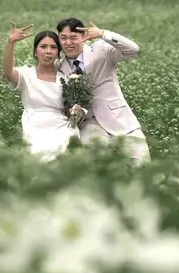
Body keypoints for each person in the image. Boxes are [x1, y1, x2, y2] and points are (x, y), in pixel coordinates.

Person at [55, 17, 150, 163]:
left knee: (141, 166)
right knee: (96, 166)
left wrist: (103, 34)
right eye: (63, 38)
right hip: (88, 124)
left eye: (73, 37)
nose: (68, 42)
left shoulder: (101, 49)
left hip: (119, 119)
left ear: (83, 37)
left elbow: (133, 50)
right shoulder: (58, 67)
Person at [1, 22, 85, 161]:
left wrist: (75, 112)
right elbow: (8, 72)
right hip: (34, 124)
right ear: (35, 52)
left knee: (69, 143)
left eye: (53, 47)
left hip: (60, 125)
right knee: (39, 154)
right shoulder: (26, 74)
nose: (48, 51)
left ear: (58, 53)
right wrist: (11, 42)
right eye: (43, 47)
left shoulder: (65, 78)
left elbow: (68, 109)